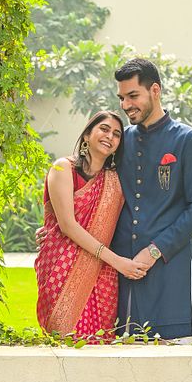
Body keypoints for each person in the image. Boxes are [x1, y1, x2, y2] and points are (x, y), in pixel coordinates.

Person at [112, 58, 192, 342]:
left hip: (171, 269)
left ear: (155, 90)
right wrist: (58, 229)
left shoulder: (188, 140)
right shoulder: (121, 142)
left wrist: (154, 251)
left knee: (173, 351)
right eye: (122, 98)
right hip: (124, 270)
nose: (126, 105)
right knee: (123, 351)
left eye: (133, 96)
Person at [34, 110, 149, 338]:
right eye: (104, 129)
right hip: (61, 269)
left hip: (101, 273)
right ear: (87, 134)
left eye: (116, 134)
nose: (110, 136)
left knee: (99, 342)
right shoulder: (63, 169)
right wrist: (118, 262)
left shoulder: (115, 181)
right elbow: (67, 225)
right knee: (64, 340)